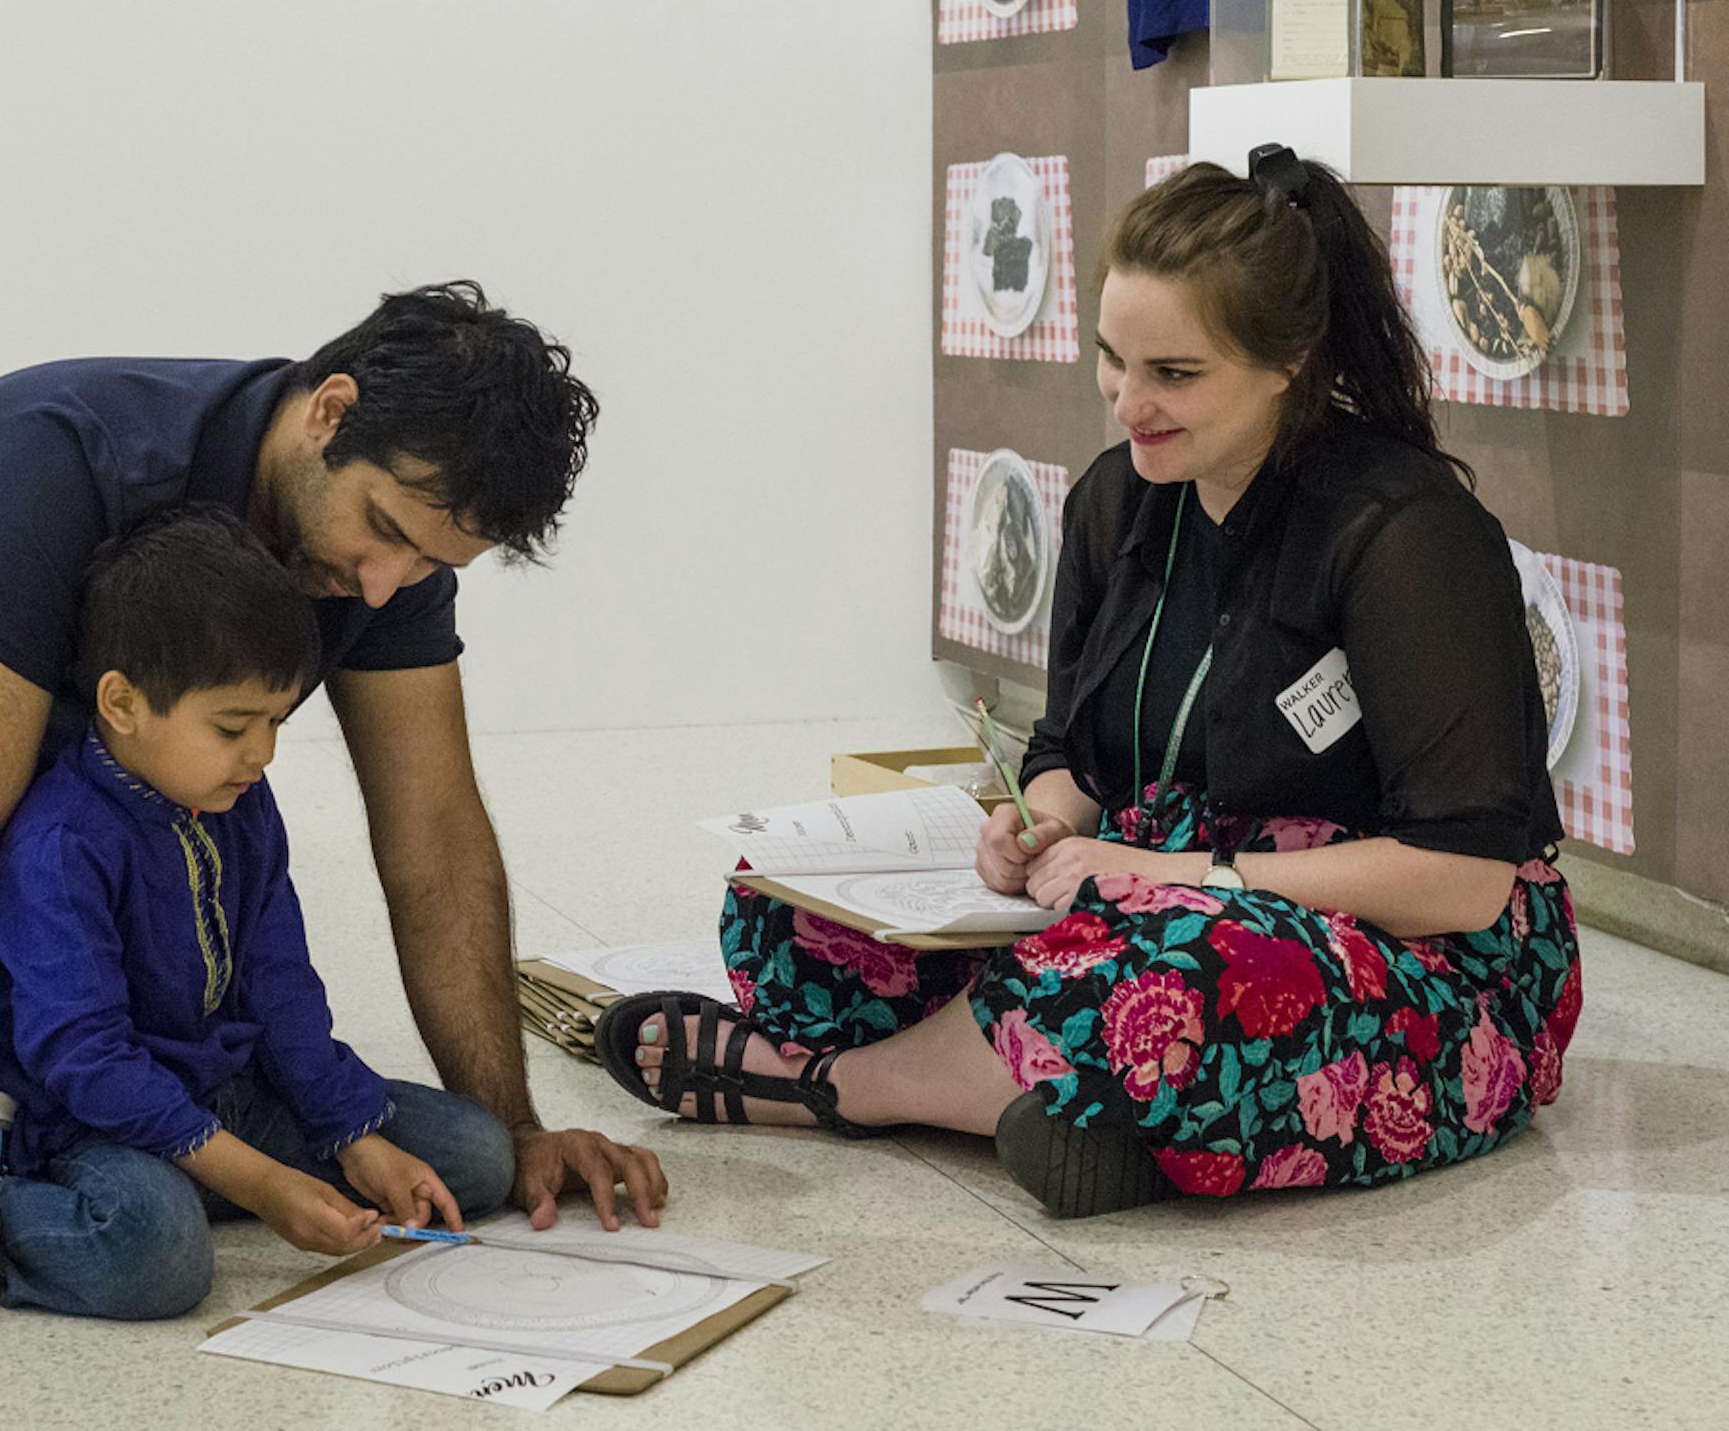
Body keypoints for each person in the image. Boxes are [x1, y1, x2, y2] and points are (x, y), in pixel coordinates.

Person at [595, 148, 1582, 1216]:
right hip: (1135, 885)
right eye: (1112, 360)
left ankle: (847, 1089)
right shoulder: (1119, 500)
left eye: (1174, 375)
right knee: (782, 913)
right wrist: (1039, 824)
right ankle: (1098, 1116)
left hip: (1406, 948)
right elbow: (1067, 747)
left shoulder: (1402, 533)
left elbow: (1464, 878)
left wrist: (1176, 875)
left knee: (1166, 975)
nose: (1128, 403)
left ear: (1290, 358)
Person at [0, 282, 667, 1309]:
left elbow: (433, 831)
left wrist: (516, 1129)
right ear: (329, 411)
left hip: (86, 801)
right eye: (385, 530)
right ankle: (69, 1145)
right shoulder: (59, 464)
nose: (389, 584)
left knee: (466, 1157)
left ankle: (136, 1142)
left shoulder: (387, 561)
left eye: (432, 563)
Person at [0, 507, 507, 1319]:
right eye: (234, 726)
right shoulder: (60, 843)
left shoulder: (238, 800)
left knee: (478, 1156)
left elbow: (281, 985)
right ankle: (2, 1200)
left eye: (276, 721)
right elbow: (83, 1060)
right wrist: (264, 1182)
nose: (262, 753)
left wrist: (352, 1133)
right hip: (85, 1127)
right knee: (154, 1261)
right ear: (122, 704)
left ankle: (200, 1183)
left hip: (228, 1089)